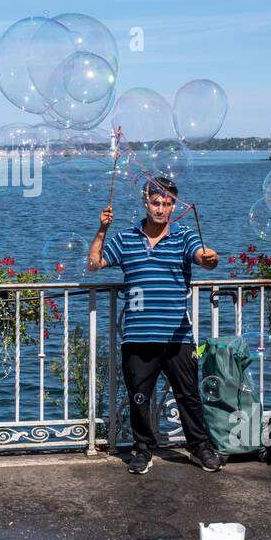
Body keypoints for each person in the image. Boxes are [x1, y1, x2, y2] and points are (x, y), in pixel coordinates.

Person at [87, 175, 221, 474]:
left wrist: (211, 259)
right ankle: (143, 449)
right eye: (156, 202)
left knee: (189, 396)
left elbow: (204, 257)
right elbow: (94, 264)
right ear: (145, 202)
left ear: (174, 206)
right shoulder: (124, 238)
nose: (161, 208)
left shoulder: (184, 236)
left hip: (178, 336)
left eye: (167, 203)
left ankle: (201, 449)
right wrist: (102, 229)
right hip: (138, 335)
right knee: (139, 399)